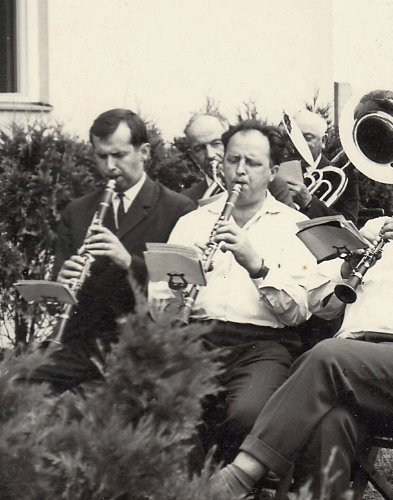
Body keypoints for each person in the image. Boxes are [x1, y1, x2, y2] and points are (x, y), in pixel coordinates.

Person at [211, 124, 393, 497]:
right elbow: (320, 308)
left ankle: (242, 474)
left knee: (327, 356)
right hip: (355, 369)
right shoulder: (374, 228)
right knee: (330, 422)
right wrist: (346, 268)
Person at [150, 120, 316, 462]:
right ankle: (193, 484)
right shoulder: (192, 222)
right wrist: (183, 282)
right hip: (198, 339)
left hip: (263, 345)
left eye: (252, 163)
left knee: (246, 415)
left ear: (272, 172)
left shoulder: (293, 226)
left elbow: (298, 312)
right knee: (169, 409)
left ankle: (224, 482)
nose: (240, 171)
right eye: (232, 160)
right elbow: (160, 307)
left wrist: (256, 266)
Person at [27, 108, 195, 393]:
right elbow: (58, 292)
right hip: (83, 341)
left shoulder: (178, 209)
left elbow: (180, 293)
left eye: (118, 155)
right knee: (18, 386)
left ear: (144, 152)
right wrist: (61, 285)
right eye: (101, 156)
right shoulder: (77, 212)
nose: (110, 167)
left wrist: (128, 262)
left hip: (146, 342)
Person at [181, 113, 291, 204]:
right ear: (193, 156)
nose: (210, 155)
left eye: (216, 143)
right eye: (199, 149)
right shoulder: (187, 200)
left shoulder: (273, 185)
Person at [285, 109, 361, 223]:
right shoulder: (279, 169)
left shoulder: (342, 177)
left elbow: (349, 223)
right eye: (294, 137)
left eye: (307, 137)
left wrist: (309, 202)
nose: (298, 144)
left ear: (323, 140)